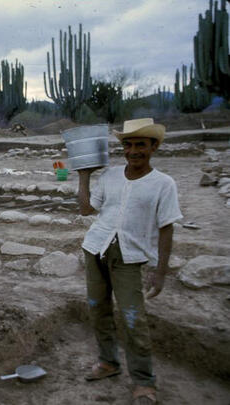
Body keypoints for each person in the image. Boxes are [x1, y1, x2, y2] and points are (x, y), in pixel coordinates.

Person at [77, 118, 182, 405]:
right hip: (95, 248)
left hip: (129, 258)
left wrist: (161, 273)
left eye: (140, 145)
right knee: (98, 309)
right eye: (128, 144)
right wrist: (83, 175)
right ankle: (108, 362)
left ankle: (144, 381)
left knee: (133, 318)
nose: (134, 151)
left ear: (154, 146)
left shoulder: (163, 184)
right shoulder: (109, 176)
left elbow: (166, 228)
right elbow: (86, 209)